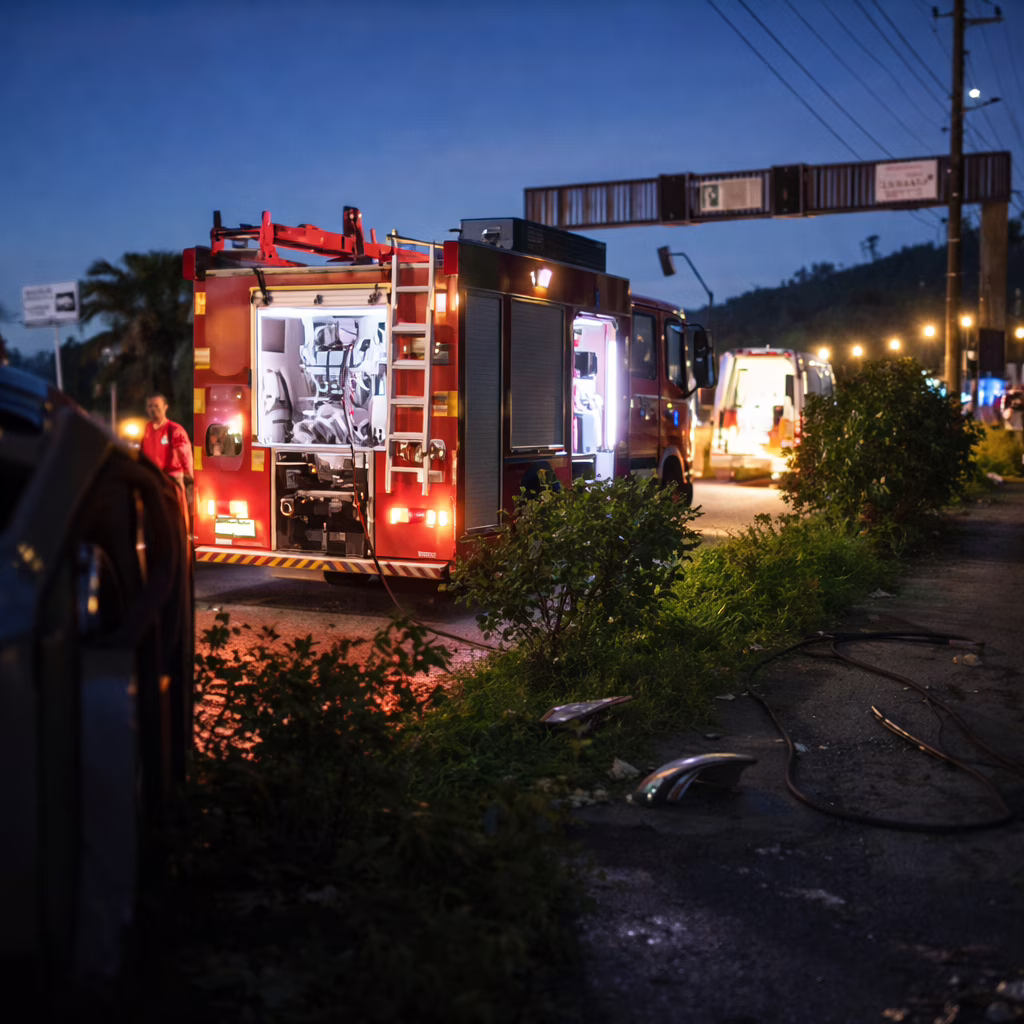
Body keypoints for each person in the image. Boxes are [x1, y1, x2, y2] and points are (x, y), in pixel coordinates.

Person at [141, 393, 195, 520]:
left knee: (175, 516)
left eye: (156, 406)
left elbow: (185, 454)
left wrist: (189, 476)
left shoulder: (174, 430)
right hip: (153, 480)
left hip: (172, 480)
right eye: (150, 406)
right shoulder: (146, 430)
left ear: (165, 407)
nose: (153, 410)